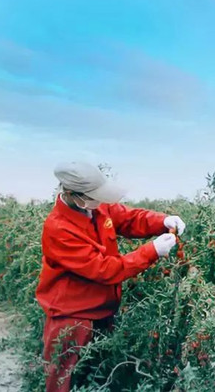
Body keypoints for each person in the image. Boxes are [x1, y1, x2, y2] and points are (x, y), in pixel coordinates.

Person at [36, 161, 185, 392]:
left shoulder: (97, 208)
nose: (99, 201)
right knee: (62, 379)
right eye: (93, 196)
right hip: (72, 316)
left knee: (99, 373)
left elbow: (129, 218)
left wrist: (162, 221)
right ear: (70, 194)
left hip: (104, 310)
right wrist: (151, 251)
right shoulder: (59, 229)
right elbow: (105, 269)